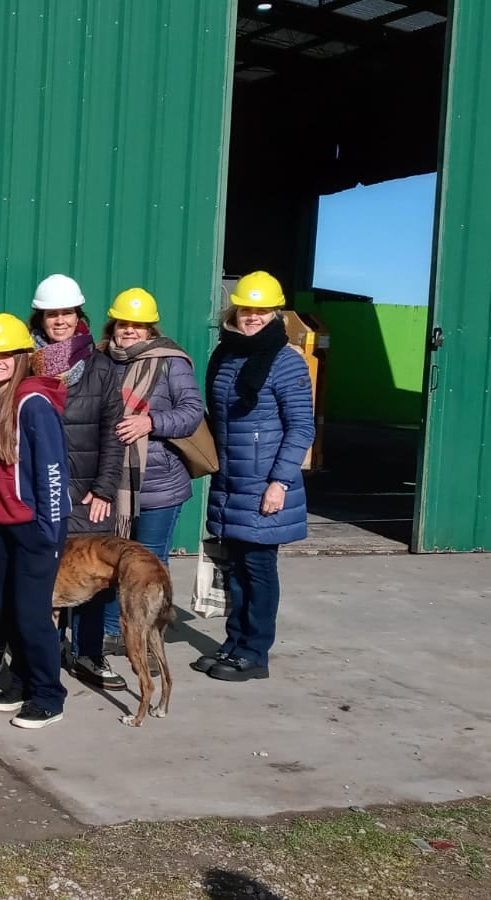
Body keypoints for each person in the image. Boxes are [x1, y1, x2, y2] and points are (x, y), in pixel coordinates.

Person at [194, 272, 314, 683]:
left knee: (259, 569)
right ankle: (233, 642)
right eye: (247, 309)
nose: (253, 318)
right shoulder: (226, 355)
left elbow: (302, 427)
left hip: (265, 485)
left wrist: (279, 482)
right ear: (235, 311)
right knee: (236, 568)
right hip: (232, 481)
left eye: (262, 311)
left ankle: (255, 652)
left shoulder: (286, 361)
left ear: (275, 313)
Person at [0, 314, 71, 729]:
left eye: (5, 355)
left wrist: (47, 530)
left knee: (30, 614)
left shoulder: (32, 402)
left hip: (33, 525)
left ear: (22, 358)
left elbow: (51, 468)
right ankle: (23, 681)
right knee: (5, 611)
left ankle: (49, 694)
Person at [29, 273, 126, 692]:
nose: (60, 321)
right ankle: (45, 653)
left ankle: (89, 652)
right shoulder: (26, 362)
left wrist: (104, 488)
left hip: (89, 489)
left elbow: (112, 430)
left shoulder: (101, 368)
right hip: (38, 487)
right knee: (42, 576)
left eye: (67, 312)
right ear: (41, 318)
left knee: (95, 578)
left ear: (78, 315)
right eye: (52, 314)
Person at [100, 288, 204, 567]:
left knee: (149, 567)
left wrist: (151, 422)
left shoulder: (171, 360)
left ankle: (151, 614)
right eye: (124, 324)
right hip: (110, 484)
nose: (130, 331)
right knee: (110, 565)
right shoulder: (99, 360)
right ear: (114, 327)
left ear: (150, 330)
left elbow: (192, 412)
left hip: (160, 485)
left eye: (138, 325)